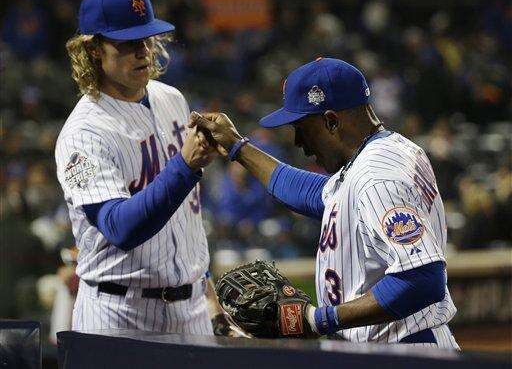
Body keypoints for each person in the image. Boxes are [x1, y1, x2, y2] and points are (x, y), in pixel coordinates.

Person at [190, 57, 460, 348]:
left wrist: (319, 319)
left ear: (331, 121)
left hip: (405, 350)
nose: (298, 142)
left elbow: (423, 278)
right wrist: (237, 147)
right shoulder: (382, 153)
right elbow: (312, 193)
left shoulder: (377, 175)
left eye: (301, 128)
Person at [55, 0, 246, 336]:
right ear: (93, 50)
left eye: (146, 38)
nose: (143, 52)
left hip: (191, 310)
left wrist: (208, 295)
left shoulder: (172, 99)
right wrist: (184, 167)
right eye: (127, 43)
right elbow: (119, 228)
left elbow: (186, 219)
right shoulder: (83, 133)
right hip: (119, 313)